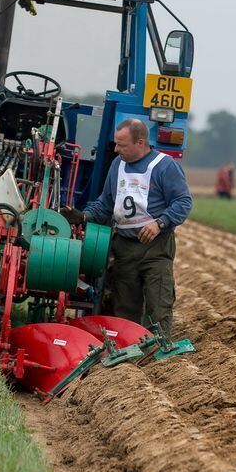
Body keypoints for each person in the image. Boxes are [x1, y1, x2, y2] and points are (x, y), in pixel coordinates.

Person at [81, 118, 192, 340]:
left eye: (122, 145)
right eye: (116, 144)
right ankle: (129, 355)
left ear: (140, 142)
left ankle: (158, 353)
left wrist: (160, 223)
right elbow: (105, 204)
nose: (116, 149)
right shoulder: (117, 165)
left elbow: (183, 202)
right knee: (125, 307)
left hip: (155, 248)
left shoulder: (165, 166)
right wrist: (83, 215)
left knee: (158, 304)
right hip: (124, 248)